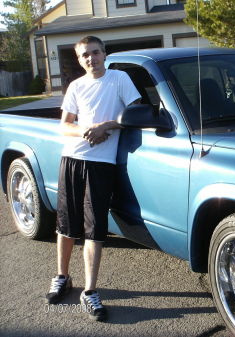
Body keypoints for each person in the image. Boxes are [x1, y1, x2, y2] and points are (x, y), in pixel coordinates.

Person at [45, 36, 141, 321]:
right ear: (79, 59)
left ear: (104, 53)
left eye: (95, 53)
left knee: (94, 228)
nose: (91, 59)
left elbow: (134, 112)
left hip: (101, 164)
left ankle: (90, 291)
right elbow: (65, 125)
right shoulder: (76, 86)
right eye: (85, 55)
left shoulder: (119, 78)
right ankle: (62, 276)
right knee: (65, 224)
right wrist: (89, 130)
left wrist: (107, 127)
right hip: (72, 159)